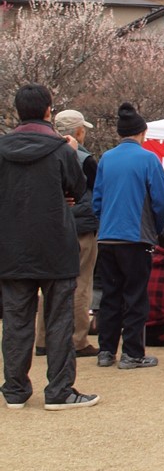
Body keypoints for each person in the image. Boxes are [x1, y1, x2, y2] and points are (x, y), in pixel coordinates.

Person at [0, 83, 97, 410]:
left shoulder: (2, 149)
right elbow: (78, 188)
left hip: (12, 247)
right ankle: (59, 391)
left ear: (17, 111)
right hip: (56, 245)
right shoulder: (60, 149)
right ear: (48, 111)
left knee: (16, 321)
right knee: (59, 320)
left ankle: (14, 390)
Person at [92, 102, 164, 370]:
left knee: (110, 294)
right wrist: (156, 229)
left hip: (107, 236)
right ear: (142, 132)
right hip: (136, 238)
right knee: (135, 295)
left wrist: (105, 222)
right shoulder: (148, 159)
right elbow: (160, 200)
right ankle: (132, 353)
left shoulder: (106, 158)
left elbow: (97, 200)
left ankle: (106, 350)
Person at [33, 109, 99, 359]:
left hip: (48, 225)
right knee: (81, 284)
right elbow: (95, 192)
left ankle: (42, 339)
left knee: (46, 283)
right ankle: (78, 339)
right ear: (78, 131)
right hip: (81, 227)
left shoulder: (43, 152)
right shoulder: (85, 159)